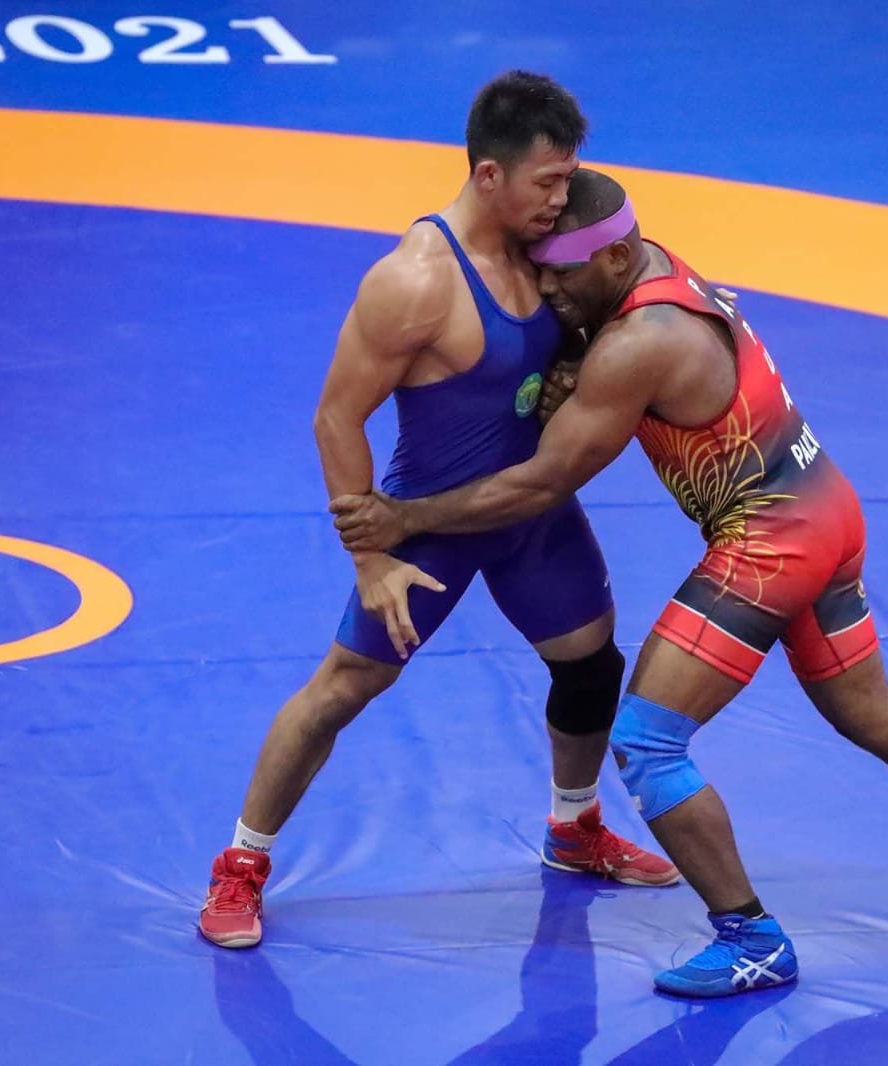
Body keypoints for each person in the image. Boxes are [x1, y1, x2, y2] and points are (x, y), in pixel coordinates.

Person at [330, 168, 888, 997]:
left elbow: (540, 484)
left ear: (612, 258)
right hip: (827, 506)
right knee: (873, 713)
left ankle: (750, 938)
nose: (547, 291)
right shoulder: (655, 268)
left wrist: (405, 518)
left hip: (771, 541)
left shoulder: (637, 343)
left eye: (558, 274)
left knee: (647, 742)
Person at [198, 75, 679, 951]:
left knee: (589, 667)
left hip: (531, 513)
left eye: (568, 179)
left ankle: (574, 826)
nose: (562, 199)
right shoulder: (414, 282)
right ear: (489, 175)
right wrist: (370, 560)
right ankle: (240, 864)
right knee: (345, 687)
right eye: (547, 182)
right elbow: (336, 417)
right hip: (427, 526)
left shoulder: (546, 249)